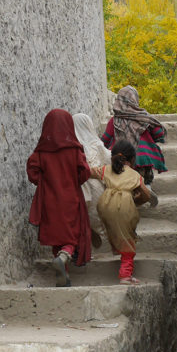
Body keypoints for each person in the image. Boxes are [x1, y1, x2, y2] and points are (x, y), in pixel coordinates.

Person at [27, 109, 92, 287]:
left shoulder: (40, 153)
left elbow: (32, 173)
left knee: (57, 236)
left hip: (48, 201)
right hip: (71, 198)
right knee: (71, 236)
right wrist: (72, 179)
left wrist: (44, 181)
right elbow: (84, 172)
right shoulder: (74, 150)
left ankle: (63, 276)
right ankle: (64, 258)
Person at [93, 140, 156, 285]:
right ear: (132, 159)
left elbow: (88, 172)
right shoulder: (135, 175)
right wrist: (135, 202)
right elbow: (146, 195)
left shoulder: (105, 169)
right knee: (128, 238)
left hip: (104, 204)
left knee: (114, 227)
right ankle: (125, 275)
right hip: (125, 206)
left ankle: (116, 247)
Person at [100, 86, 166, 185]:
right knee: (143, 179)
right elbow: (159, 133)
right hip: (142, 159)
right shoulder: (143, 117)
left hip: (121, 161)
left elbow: (104, 141)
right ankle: (145, 188)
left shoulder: (114, 120)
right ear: (135, 99)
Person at [73, 113, 109, 249]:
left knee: (81, 217)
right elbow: (108, 160)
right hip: (95, 185)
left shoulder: (73, 147)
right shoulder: (96, 144)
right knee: (97, 213)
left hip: (79, 186)